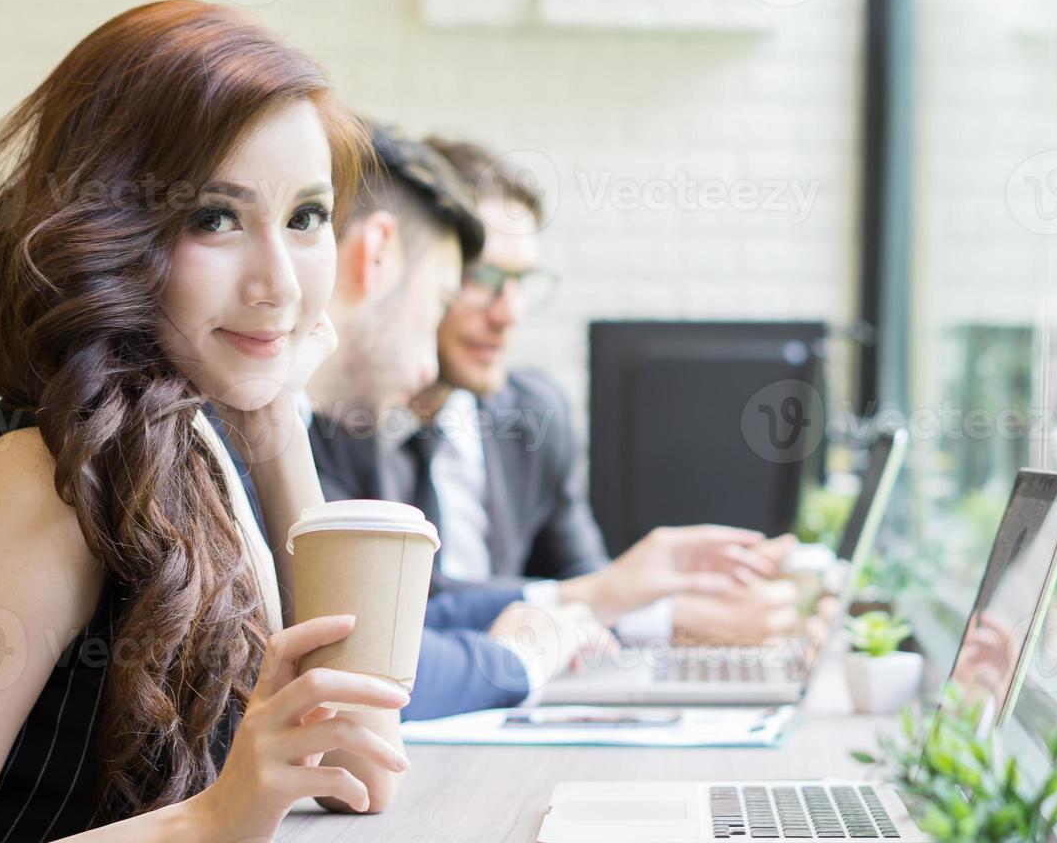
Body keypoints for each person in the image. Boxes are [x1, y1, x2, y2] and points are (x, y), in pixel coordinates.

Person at [0, 1, 410, 843]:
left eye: (307, 217)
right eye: (216, 218)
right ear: (109, 224)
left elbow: (353, 767)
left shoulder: (186, 450)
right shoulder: (39, 485)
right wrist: (199, 826)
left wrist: (275, 427)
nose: (278, 280)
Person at [302, 126, 763, 710]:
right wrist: (587, 610)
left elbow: (585, 597)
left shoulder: (533, 416)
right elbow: (388, 619)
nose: (508, 315)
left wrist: (672, 611)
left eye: (521, 283)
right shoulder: (333, 409)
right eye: (481, 282)